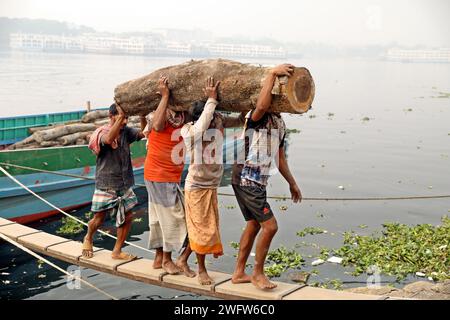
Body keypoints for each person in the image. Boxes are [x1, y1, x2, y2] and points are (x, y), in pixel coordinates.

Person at [231, 64, 303, 289]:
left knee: (254, 224)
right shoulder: (257, 117)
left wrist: (292, 183)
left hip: (255, 180)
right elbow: (262, 104)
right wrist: (272, 73)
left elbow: (280, 159)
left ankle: (238, 273)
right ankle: (257, 274)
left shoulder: (280, 125)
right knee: (270, 227)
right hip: (246, 177)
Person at [181, 76, 245, 285]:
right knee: (203, 230)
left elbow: (239, 120)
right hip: (197, 187)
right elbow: (201, 128)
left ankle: (182, 259)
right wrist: (211, 100)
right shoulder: (189, 131)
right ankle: (201, 270)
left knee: (205, 228)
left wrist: (247, 105)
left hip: (211, 186)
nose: (218, 125)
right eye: (213, 120)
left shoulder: (217, 120)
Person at [143, 76, 195, 277]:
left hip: (165, 175)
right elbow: (156, 126)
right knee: (174, 218)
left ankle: (158, 258)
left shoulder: (184, 117)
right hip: (159, 174)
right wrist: (164, 96)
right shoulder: (161, 114)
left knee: (157, 216)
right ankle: (166, 259)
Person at [82, 103, 145, 260]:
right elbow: (109, 139)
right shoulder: (101, 133)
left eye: (126, 118)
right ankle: (88, 238)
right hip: (106, 182)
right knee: (99, 218)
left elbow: (144, 133)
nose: (124, 121)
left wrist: (143, 115)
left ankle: (117, 250)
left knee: (128, 217)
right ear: (111, 117)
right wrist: (121, 117)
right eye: (121, 118)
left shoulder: (126, 131)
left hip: (124, 182)